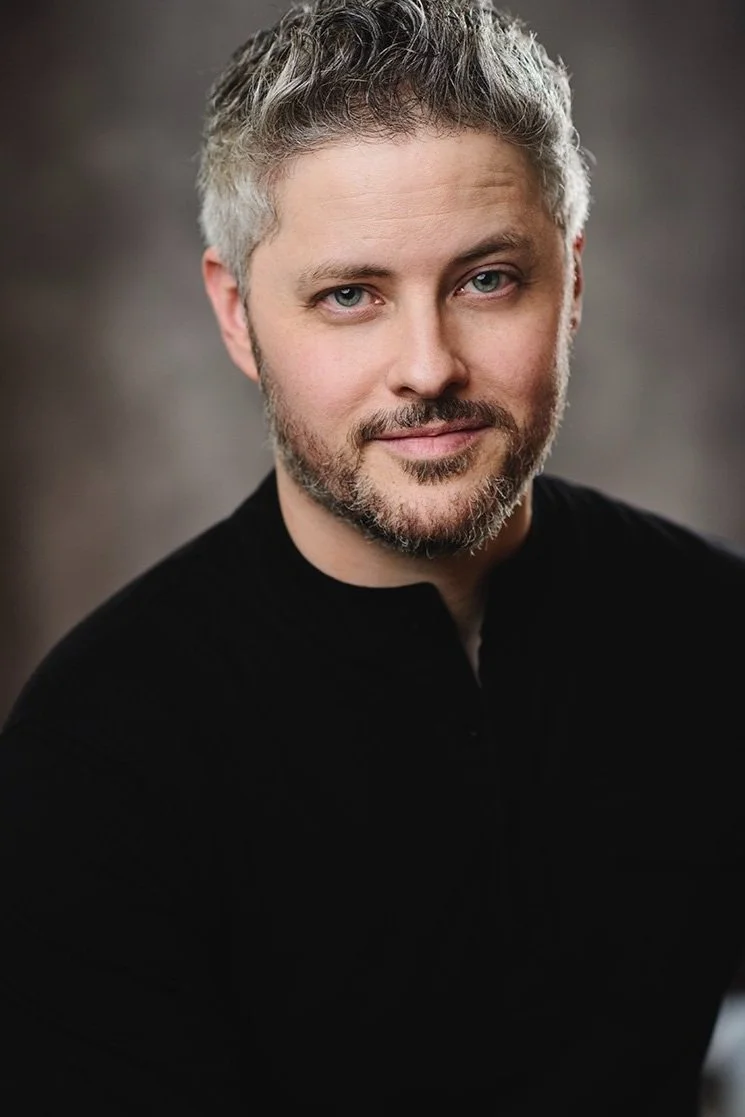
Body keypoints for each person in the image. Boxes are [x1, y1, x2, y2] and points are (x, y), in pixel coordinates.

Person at [1, 0, 744, 1113]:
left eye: (486, 279)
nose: (428, 366)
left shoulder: (717, 629)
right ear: (238, 314)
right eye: (350, 295)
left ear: (573, 280)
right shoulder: (94, 761)